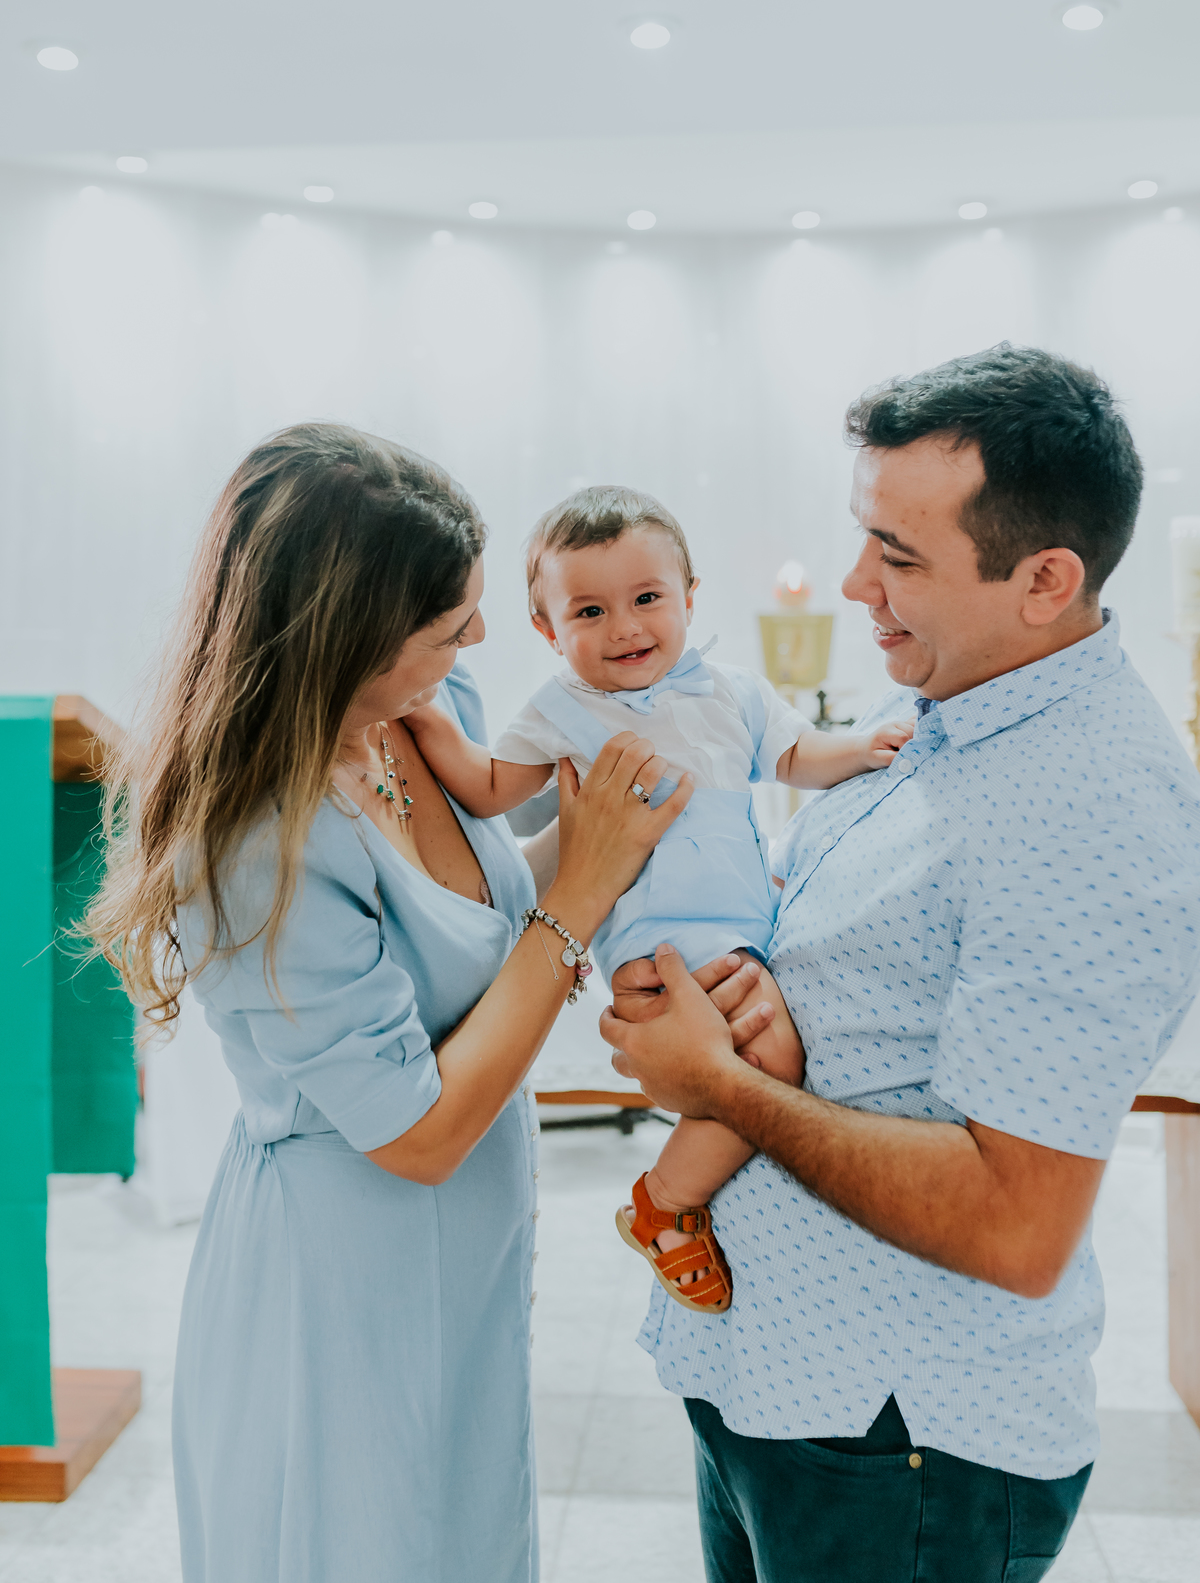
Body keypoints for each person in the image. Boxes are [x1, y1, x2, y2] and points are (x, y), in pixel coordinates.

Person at [599, 346, 1200, 1583]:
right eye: (865, 537)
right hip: (783, 1393)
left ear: (1046, 578)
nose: (859, 583)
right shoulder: (953, 709)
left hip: (904, 1446)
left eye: (903, 557)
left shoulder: (1094, 803)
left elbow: (1015, 1218)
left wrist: (726, 1086)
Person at [85, 424, 696, 1583]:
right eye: (446, 624)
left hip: (467, 1245)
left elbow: (515, 864)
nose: (476, 638)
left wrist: (645, 800)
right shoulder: (262, 835)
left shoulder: (423, 704)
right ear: (340, 639)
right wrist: (578, 897)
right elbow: (416, 1132)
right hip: (340, 1275)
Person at [403, 485, 912, 1312]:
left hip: (747, 932)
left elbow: (793, 756)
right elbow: (494, 788)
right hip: (654, 941)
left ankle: (677, 1199)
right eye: (590, 612)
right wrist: (431, 727)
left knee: (765, 1065)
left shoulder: (731, 693)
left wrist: (859, 748)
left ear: (688, 597)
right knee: (770, 1063)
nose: (626, 628)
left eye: (647, 600)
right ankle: (665, 1206)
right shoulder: (563, 709)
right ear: (547, 629)